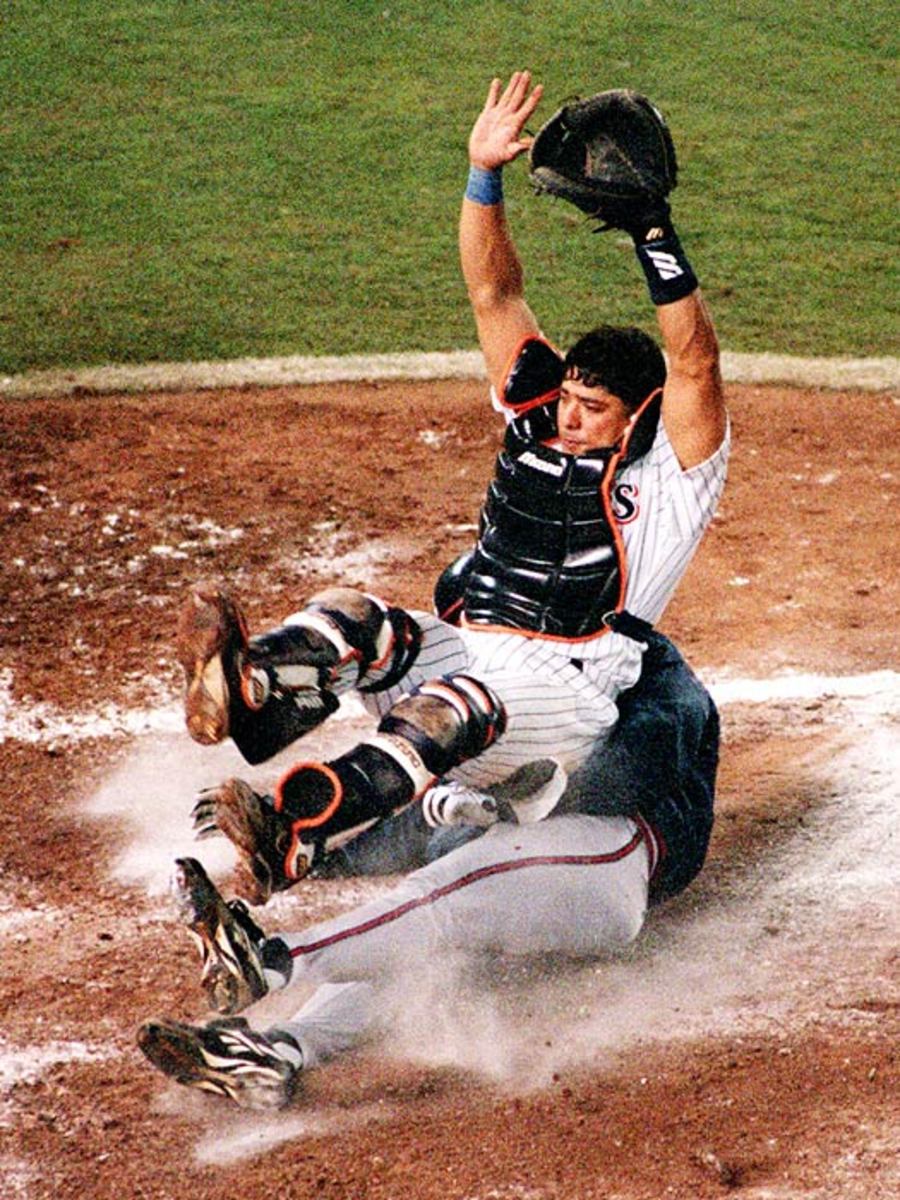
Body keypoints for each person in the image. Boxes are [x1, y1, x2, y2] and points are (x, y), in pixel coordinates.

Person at [137, 70, 728, 1109]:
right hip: (479, 667)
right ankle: (261, 690)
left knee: (448, 817)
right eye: (571, 401)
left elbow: (694, 361)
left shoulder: (665, 494)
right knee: (364, 624)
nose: (571, 419)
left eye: (596, 410)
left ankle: (291, 866)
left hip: (560, 725)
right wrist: (480, 176)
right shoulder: (536, 410)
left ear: (635, 420)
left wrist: (654, 237)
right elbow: (495, 295)